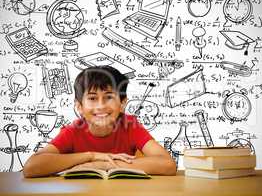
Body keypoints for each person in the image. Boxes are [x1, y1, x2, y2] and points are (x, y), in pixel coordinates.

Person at [23, 65, 177, 178]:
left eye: (109, 97)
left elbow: (168, 165)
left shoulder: (130, 125)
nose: (101, 105)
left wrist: (104, 165)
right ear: (79, 106)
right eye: (92, 98)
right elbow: (31, 167)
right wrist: (91, 156)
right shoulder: (73, 131)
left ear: (122, 103)